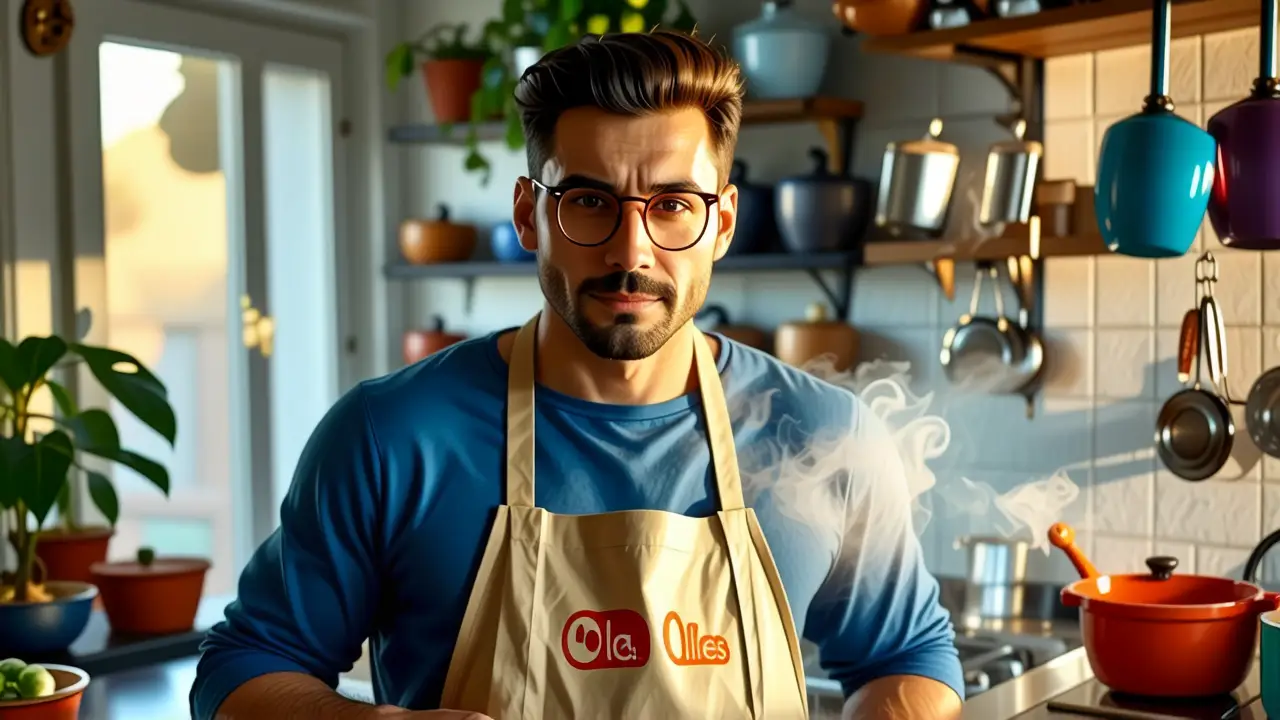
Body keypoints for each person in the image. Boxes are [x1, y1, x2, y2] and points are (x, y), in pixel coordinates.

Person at [191, 30, 964, 720]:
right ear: (530, 215)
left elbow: (907, 659)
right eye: (590, 200)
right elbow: (242, 672)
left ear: (721, 223)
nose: (631, 251)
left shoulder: (824, 435)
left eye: (671, 205)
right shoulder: (391, 436)